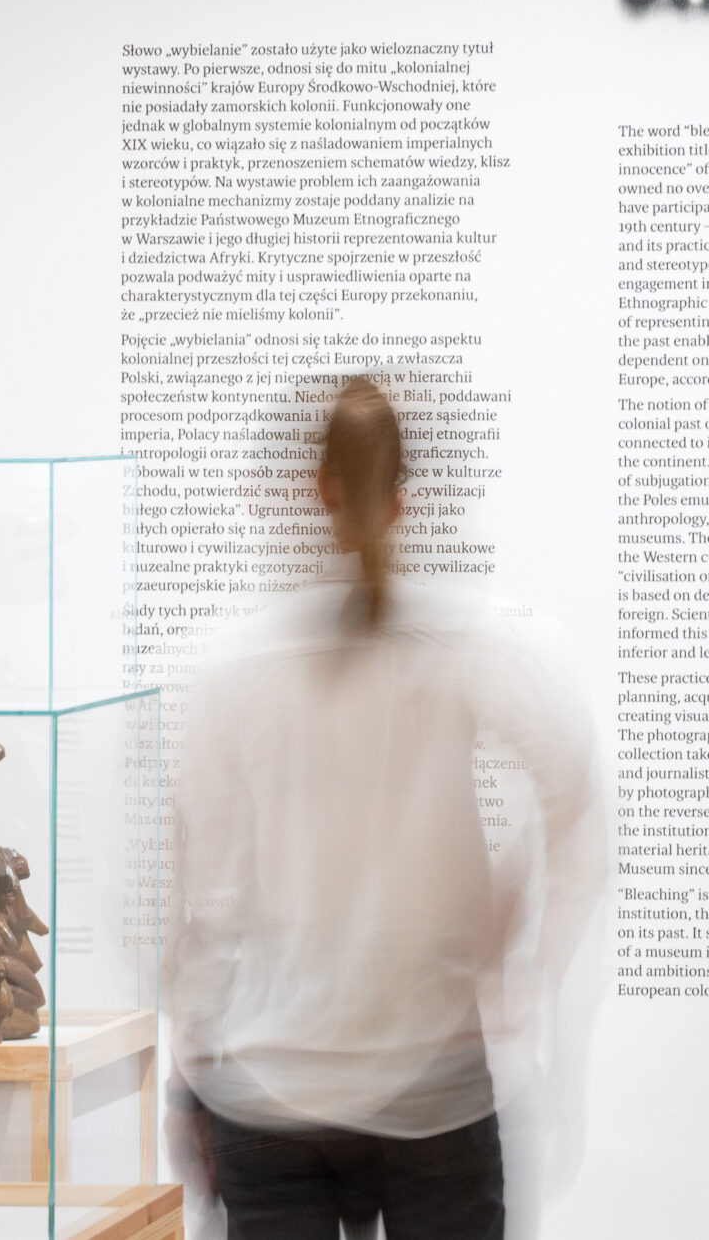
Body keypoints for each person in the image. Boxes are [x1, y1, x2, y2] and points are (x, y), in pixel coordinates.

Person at [165, 377, 603, 1240]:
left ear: (314, 486)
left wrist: (192, 1068)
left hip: (268, 1083)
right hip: (433, 1080)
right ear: (403, 499)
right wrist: (516, 932)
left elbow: (209, 902)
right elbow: (575, 796)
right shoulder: (468, 643)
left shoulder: (232, 666)